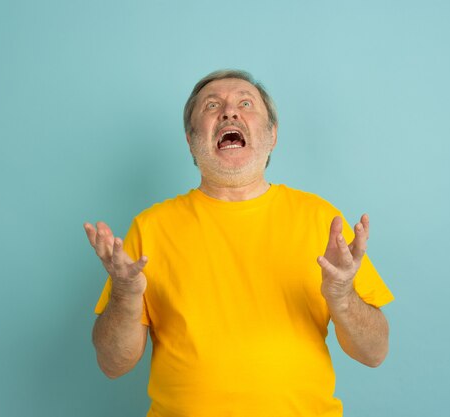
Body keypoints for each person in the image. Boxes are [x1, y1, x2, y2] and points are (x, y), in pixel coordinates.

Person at [83, 69, 394, 417]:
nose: (230, 112)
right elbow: (113, 364)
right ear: (190, 139)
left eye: (245, 103)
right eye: (211, 106)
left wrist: (342, 295)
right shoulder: (151, 227)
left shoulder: (323, 221)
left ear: (272, 134)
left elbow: (375, 352)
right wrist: (125, 294)